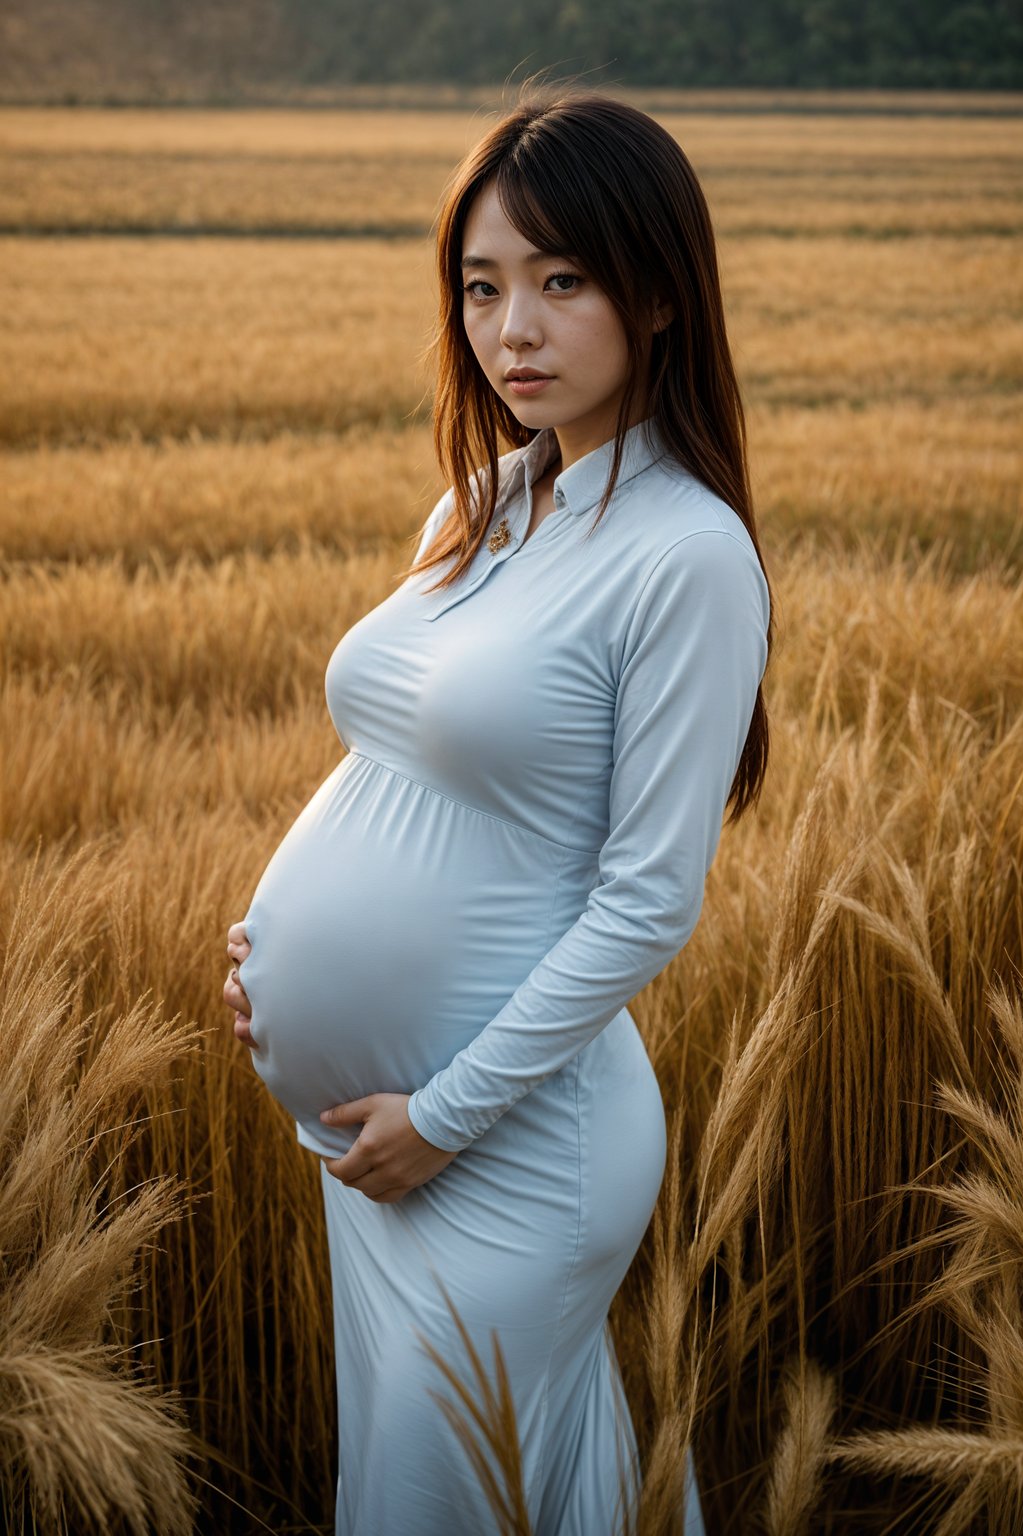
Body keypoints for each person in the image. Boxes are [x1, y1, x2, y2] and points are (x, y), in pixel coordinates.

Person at [223, 84, 773, 1536]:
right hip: (374, 1140)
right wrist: (271, 949)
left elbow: (651, 903)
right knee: (478, 1492)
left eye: (560, 279)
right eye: (481, 287)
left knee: (434, 1497)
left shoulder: (688, 556)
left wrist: (446, 1116)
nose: (511, 328)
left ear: (656, 292)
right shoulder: (484, 504)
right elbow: (409, 765)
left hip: (514, 1144)